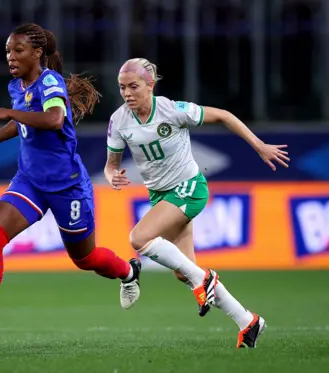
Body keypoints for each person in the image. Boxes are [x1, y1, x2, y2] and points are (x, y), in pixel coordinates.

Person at [0, 23, 142, 343]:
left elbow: (53, 118)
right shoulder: (17, 87)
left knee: (84, 258)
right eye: (7, 52)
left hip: (66, 185)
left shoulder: (50, 82)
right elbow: (23, 124)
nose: (11, 58)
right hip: (30, 179)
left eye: (18, 51)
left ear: (37, 53)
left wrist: (9, 112)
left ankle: (127, 272)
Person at [105, 58, 289, 348]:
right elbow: (110, 165)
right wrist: (113, 175)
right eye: (122, 88)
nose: (127, 93)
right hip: (161, 195)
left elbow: (225, 116)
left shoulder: (172, 110)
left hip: (188, 188)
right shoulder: (119, 120)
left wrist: (259, 146)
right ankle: (248, 322)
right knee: (184, 272)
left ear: (150, 86)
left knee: (139, 237)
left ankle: (204, 280)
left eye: (133, 86)